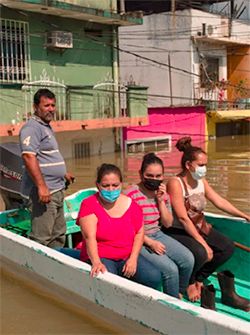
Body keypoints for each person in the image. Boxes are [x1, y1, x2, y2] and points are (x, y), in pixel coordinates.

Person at [165, 136, 250, 302]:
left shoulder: (200, 180)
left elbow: (219, 201)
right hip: (178, 230)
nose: (204, 169)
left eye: (205, 165)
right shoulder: (176, 183)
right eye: (201, 165)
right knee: (200, 251)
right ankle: (189, 283)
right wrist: (203, 243)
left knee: (227, 247)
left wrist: (244, 215)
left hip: (198, 226)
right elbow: (182, 217)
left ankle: (199, 278)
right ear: (188, 165)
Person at [76, 163, 161, 290]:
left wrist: (133, 259)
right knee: (110, 280)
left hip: (126, 255)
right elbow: (89, 237)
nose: (111, 189)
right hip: (102, 255)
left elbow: (139, 233)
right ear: (98, 185)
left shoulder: (132, 205)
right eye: (106, 186)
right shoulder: (89, 205)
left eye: (115, 185)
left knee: (154, 276)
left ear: (121, 184)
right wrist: (96, 262)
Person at [125, 153, 194, 298]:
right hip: (139, 239)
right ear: (141, 174)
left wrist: (161, 201)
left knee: (188, 259)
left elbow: (167, 223)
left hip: (158, 234)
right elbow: (128, 229)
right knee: (170, 269)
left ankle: (179, 292)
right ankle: (171, 301)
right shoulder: (130, 195)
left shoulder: (162, 193)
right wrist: (150, 243)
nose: (154, 180)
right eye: (150, 175)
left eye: (158, 176)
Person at [19, 88, 74, 248]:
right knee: (41, 238)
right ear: (36, 107)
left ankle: (56, 267)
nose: (51, 109)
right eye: (46, 105)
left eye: (53, 105)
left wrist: (64, 174)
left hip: (57, 189)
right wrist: (42, 187)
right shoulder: (32, 127)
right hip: (45, 193)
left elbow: (48, 156)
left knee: (58, 235)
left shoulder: (46, 127)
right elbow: (29, 156)